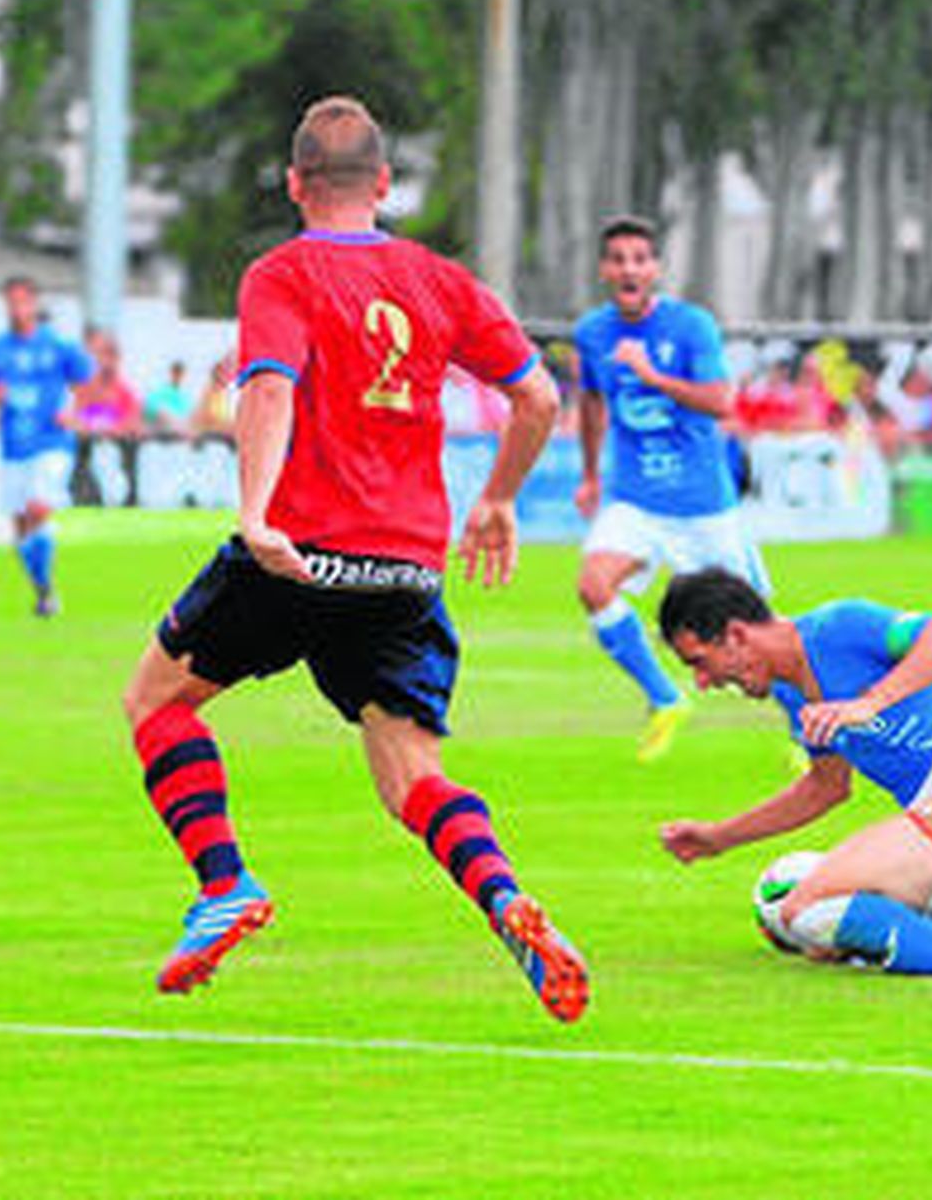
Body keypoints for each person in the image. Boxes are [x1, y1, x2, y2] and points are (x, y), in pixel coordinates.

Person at [119, 95, 588, 1023]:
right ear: (383, 184)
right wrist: (496, 500)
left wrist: (254, 513)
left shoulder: (282, 274)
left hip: (299, 550)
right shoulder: (440, 280)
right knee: (411, 773)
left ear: (295, 185)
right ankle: (505, 899)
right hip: (406, 567)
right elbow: (536, 397)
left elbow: (269, 390)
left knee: (156, 702)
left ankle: (224, 884)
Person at [656, 568, 932, 982]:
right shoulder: (794, 694)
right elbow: (825, 788)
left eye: (698, 661)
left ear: (735, 635)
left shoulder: (837, 627)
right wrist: (718, 838)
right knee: (817, 927)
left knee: (804, 909)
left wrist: (870, 702)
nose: (702, 682)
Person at [573, 214, 769, 763]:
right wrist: (590, 474)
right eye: (618, 259)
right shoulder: (592, 332)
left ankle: (807, 729)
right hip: (635, 498)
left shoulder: (691, 326)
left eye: (639, 258)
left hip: (702, 503)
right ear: (604, 269)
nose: (628, 269)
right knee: (594, 584)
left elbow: (721, 402)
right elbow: (590, 401)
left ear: (655, 268)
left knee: (755, 629)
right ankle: (665, 698)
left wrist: (653, 377)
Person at [0, 275, 93, 617]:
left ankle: (45, 591)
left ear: (35, 305)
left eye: (23, 301)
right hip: (13, 446)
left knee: (38, 507)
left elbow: (88, 380)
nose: (17, 308)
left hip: (51, 441)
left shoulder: (58, 346)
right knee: (20, 526)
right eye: (11, 301)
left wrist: (72, 410)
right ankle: (44, 591)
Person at [71, 329, 143, 436]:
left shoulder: (127, 395)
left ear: (118, 358)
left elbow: (134, 424)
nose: (105, 361)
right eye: (99, 354)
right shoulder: (83, 389)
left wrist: (117, 428)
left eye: (110, 354)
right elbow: (73, 420)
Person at [144, 360, 195, 435]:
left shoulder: (186, 396)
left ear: (183, 375)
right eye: (175, 373)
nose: (177, 376)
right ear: (171, 373)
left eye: (180, 374)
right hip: (163, 423)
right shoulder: (162, 391)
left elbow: (188, 413)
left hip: (177, 424)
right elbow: (150, 407)